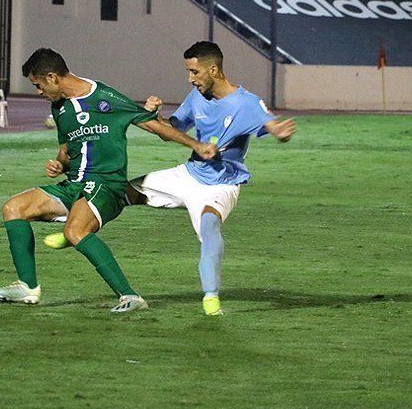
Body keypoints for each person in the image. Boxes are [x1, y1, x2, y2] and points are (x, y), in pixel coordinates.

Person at [0, 48, 218, 313]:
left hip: (107, 186)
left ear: (52, 77)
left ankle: (130, 296)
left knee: (75, 232)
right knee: (14, 208)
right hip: (75, 184)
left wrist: (197, 145)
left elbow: (156, 127)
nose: (38, 92)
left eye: (38, 85)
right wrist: (59, 164)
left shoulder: (105, 97)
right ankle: (27, 288)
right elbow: (66, 148)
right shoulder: (59, 107)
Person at [123, 41, 295, 316]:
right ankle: (73, 226)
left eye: (194, 72)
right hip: (188, 174)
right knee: (122, 192)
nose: (190, 78)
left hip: (222, 184)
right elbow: (171, 131)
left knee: (209, 225)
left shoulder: (245, 103)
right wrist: (154, 115)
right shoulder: (196, 97)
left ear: (213, 70)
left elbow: (270, 123)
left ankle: (211, 297)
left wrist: (279, 131)